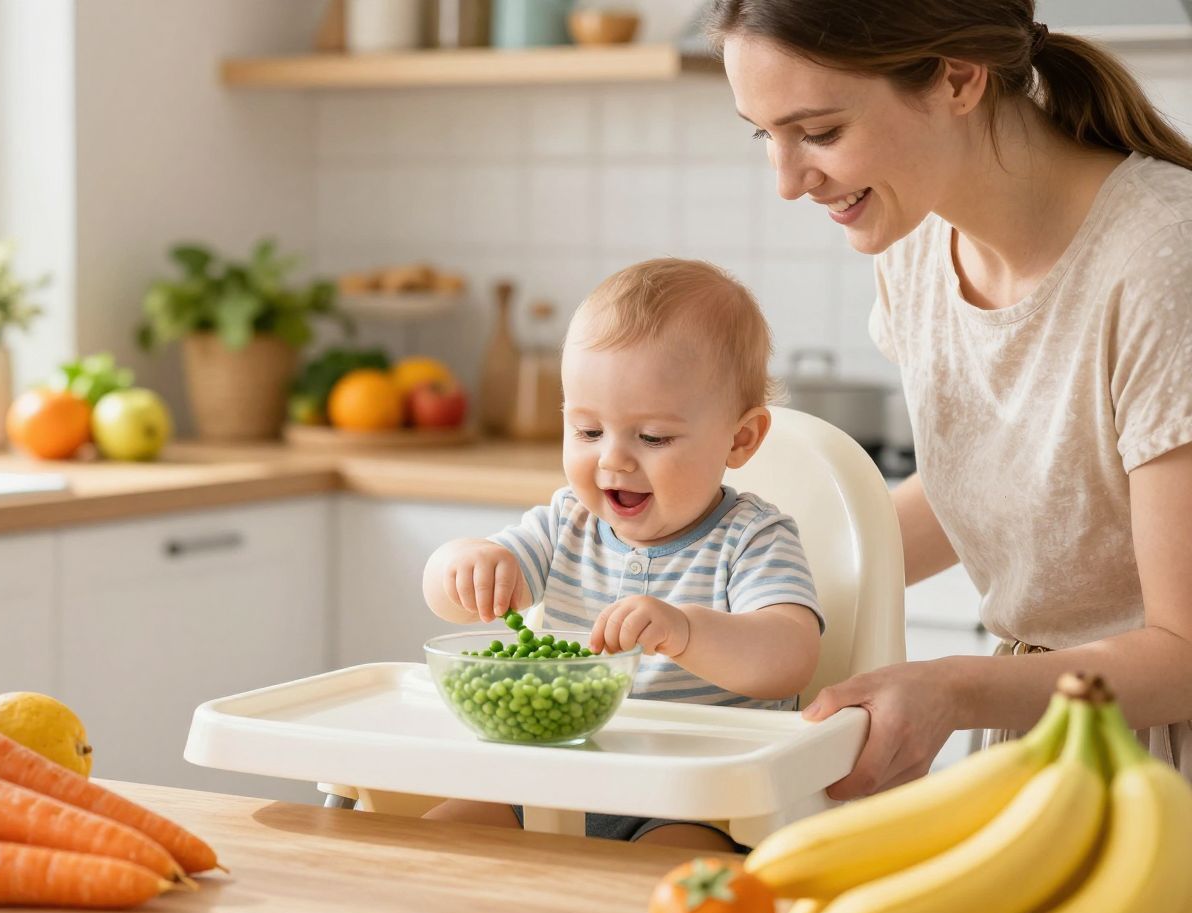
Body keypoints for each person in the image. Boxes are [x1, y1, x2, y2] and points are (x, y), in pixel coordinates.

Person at [712, 0, 1192, 797]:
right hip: (1041, 748)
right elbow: (998, 487)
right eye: (766, 135)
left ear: (958, 79)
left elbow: (1183, 654)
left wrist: (955, 689)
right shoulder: (916, 245)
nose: (790, 183)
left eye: (821, 133)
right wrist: (748, 607)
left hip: (1161, 777)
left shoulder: (1161, 263)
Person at [420, 258, 824, 850]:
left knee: (661, 881)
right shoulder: (566, 524)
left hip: (695, 801)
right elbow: (447, 601)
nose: (613, 460)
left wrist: (685, 633)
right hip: (550, 780)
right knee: (426, 846)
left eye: (653, 437)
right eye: (587, 431)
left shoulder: (752, 537)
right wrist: (464, 564)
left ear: (740, 439)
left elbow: (790, 657)